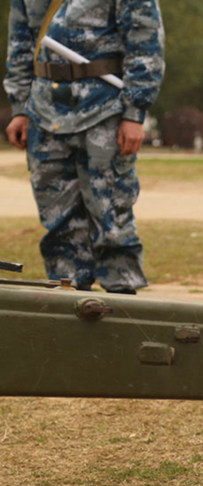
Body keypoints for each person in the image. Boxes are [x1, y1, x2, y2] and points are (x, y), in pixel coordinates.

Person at [4, 0, 165, 293]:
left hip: (103, 110)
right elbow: (20, 40)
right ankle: (69, 309)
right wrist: (19, 108)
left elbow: (144, 39)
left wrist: (135, 113)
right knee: (59, 224)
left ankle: (123, 312)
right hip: (44, 110)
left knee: (112, 220)